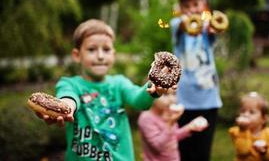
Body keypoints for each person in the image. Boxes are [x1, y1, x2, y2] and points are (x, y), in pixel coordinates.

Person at [35, 19, 176, 161]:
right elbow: (69, 97)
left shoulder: (119, 83)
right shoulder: (70, 84)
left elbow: (139, 101)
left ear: (113, 55)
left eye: (106, 49)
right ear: (77, 55)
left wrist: (154, 87)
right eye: (91, 49)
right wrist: (66, 107)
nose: (100, 56)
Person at [169, 0, 222, 161]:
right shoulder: (177, 24)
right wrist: (187, 19)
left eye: (195, 4)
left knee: (203, 151)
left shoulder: (208, 28)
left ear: (203, 5)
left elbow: (214, 29)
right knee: (183, 150)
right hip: (182, 99)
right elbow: (182, 25)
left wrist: (213, 27)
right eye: (186, 6)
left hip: (208, 100)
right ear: (180, 8)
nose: (192, 10)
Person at [138, 89, 208, 161]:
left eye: (174, 94)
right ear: (150, 95)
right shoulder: (146, 118)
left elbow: (172, 137)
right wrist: (170, 124)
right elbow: (158, 147)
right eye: (165, 94)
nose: (172, 99)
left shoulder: (168, 113)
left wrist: (189, 127)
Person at [229, 92, 269, 161]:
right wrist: (243, 131)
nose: (245, 114)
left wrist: (264, 153)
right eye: (243, 111)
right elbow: (242, 152)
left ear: (263, 119)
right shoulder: (237, 132)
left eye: (251, 112)